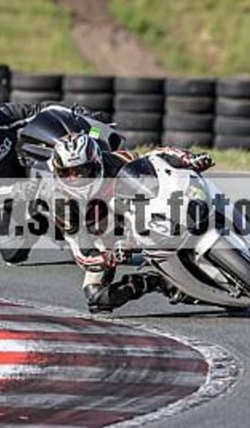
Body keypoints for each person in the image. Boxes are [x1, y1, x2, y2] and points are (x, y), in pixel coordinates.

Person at [48, 129, 214, 313]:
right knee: (97, 298)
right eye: (67, 173)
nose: (76, 178)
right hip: (107, 241)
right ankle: (155, 282)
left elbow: (154, 157)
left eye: (82, 170)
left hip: (140, 210)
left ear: (96, 163)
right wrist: (107, 257)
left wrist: (186, 158)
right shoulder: (61, 204)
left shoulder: (113, 161)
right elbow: (80, 251)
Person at [0, 87, 112, 265]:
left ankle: (83, 239)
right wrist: (20, 190)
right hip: (3, 196)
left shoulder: (1, 115)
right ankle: (45, 223)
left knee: (51, 181)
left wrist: (77, 113)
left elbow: (42, 110)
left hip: (29, 169)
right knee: (12, 253)